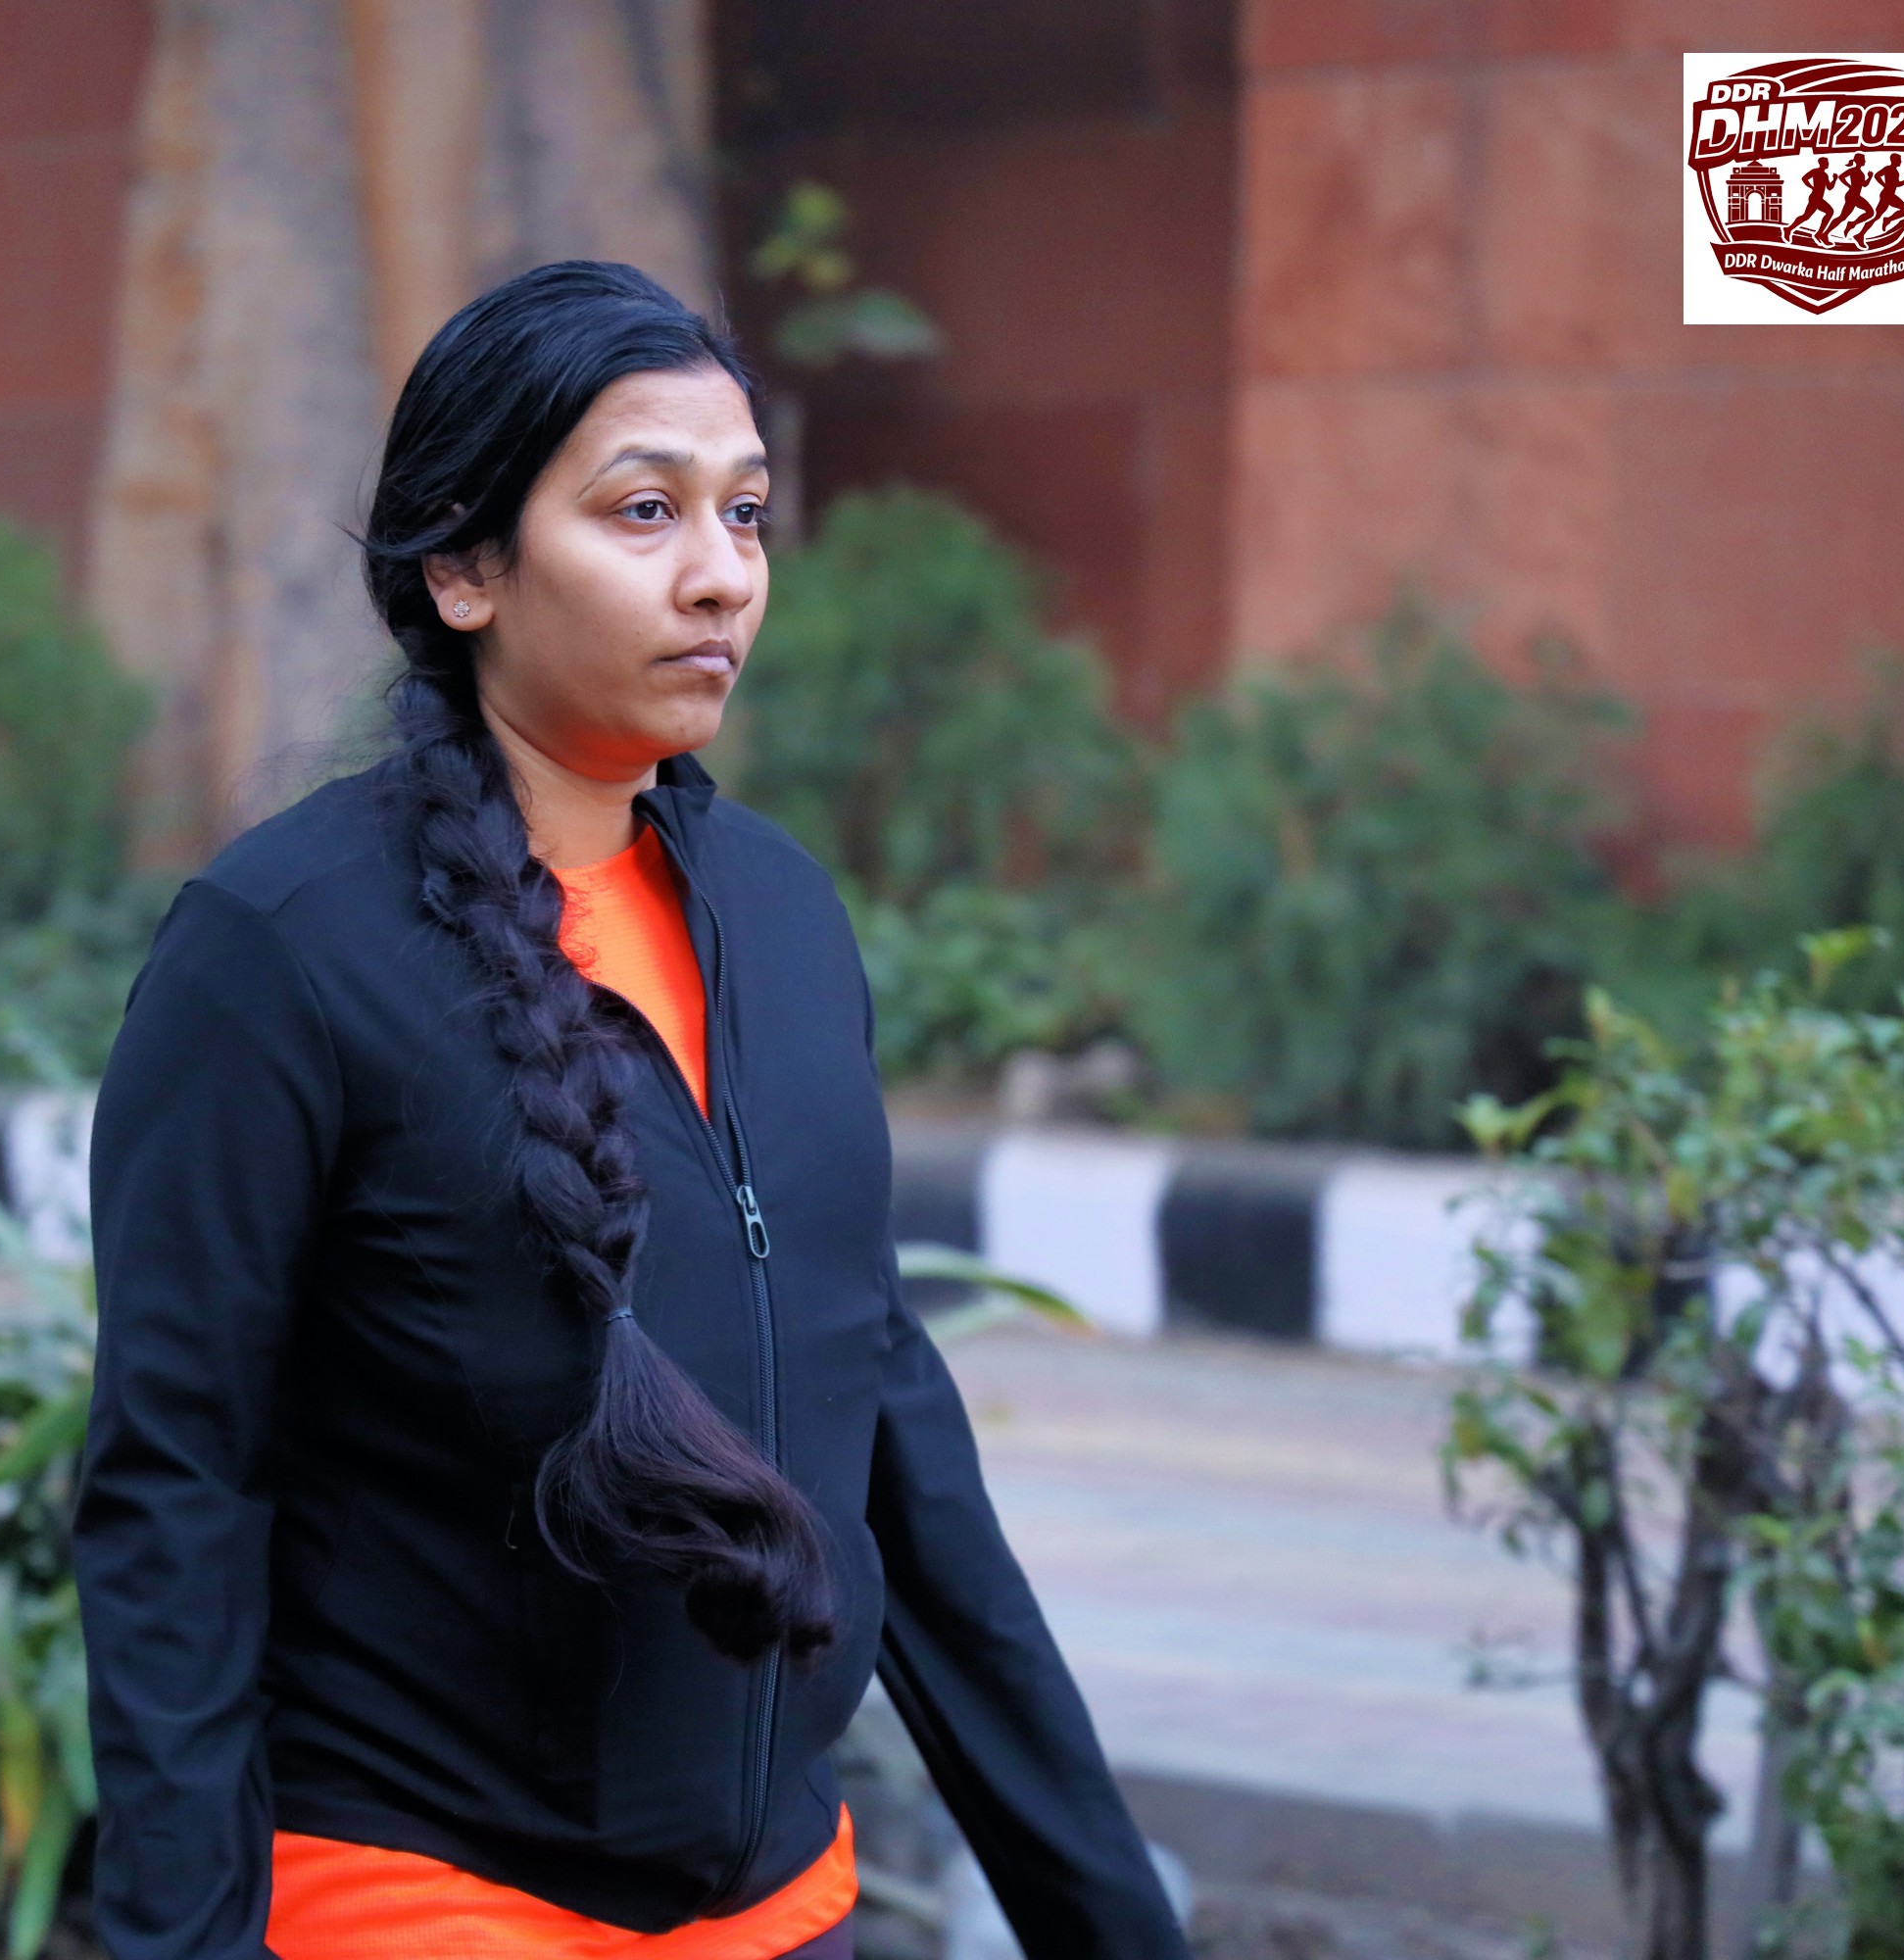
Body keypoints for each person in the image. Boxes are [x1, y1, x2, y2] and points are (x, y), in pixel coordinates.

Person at [74, 260, 1188, 1960]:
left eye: (745, 513)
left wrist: (1108, 1922)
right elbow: (175, 1492)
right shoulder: (281, 951)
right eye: (644, 510)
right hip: (420, 1905)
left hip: (780, 1910)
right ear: (463, 568)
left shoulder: (783, 918)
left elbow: (889, 1427)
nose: (720, 573)